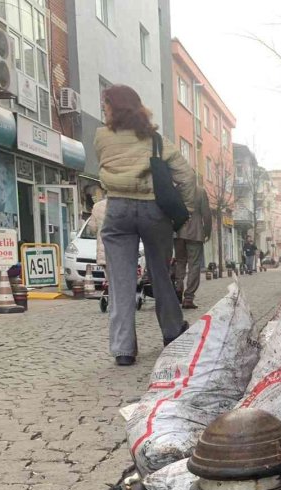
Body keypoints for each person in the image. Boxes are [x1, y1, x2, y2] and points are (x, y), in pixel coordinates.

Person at [95, 84, 196, 366]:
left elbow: (104, 165)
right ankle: (173, 332)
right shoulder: (157, 141)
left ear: (113, 108)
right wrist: (184, 210)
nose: (104, 109)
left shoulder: (101, 137)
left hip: (117, 210)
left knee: (120, 281)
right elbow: (187, 178)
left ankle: (123, 349)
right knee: (161, 274)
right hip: (154, 211)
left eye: (106, 105)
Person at [174, 185, 212, 309]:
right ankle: (188, 298)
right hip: (195, 233)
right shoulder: (200, 191)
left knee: (180, 262)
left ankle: (178, 287)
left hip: (178, 231)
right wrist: (207, 231)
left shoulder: (176, 190)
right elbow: (206, 213)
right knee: (194, 265)